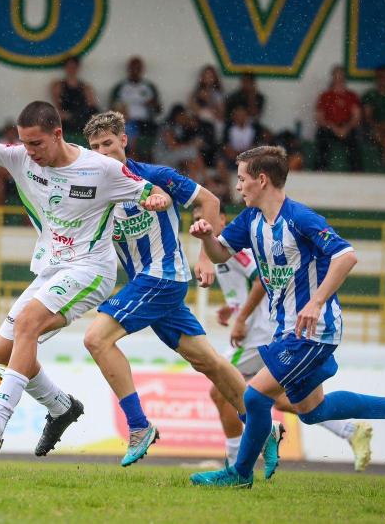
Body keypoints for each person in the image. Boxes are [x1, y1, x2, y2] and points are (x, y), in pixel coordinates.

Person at [188, 145, 385, 488]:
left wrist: (316, 302)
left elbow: (346, 256)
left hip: (313, 329)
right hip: (286, 329)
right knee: (311, 410)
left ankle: (239, 474)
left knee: (254, 396)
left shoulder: (300, 219)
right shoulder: (251, 220)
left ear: (262, 179)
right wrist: (206, 239)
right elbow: (219, 254)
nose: (238, 186)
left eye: (242, 179)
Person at [0, 99, 171, 458]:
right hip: (51, 268)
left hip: (91, 269)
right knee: (1, 351)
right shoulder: (21, 158)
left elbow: (155, 192)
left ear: (57, 134)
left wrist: (157, 201)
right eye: (24, 143)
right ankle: (62, 407)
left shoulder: (101, 169)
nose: (30, 151)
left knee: (28, 323)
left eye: (36, 143)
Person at [82, 111, 271, 468]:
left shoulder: (156, 176)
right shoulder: (96, 192)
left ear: (124, 141)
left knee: (96, 339)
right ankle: (263, 428)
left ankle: (139, 425)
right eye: (95, 147)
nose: (103, 152)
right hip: (148, 284)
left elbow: (210, 202)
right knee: (209, 361)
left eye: (108, 143)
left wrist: (205, 257)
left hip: (162, 277)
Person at [189, 206, 374, 475]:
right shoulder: (220, 252)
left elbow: (260, 282)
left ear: (222, 219)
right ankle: (349, 430)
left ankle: (236, 461)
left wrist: (241, 319)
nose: (200, 221)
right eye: (196, 219)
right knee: (280, 399)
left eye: (205, 217)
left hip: (257, 333)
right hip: (261, 329)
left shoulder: (235, 250)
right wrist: (234, 310)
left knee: (221, 389)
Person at [109, 56, 162, 158]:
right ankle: (131, 155)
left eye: (138, 68)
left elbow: (158, 110)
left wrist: (152, 104)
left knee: (160, 129)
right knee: (127, 127)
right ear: (128, 69)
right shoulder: (121, 87)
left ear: (142, 69)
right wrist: (121, 112)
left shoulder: (149, 87)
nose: (135, 71)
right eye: (133, 68)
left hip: (145, 122)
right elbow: (112, 108)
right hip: (126, 121)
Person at [315, 66, 363, 172]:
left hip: (347, 128)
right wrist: (333, 128)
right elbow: (320, 119)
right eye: (336, 76)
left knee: (355, 139)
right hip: (329, 128)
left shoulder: (352, 96)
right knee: (321, 136)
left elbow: (356, 117)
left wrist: (346, 128)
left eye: (341, 76)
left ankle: (357, 172)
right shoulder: (325, 96)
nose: (339, 79)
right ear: (332, 78)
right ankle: (320, 170)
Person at [50, 56, 99, 135]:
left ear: (78, 68)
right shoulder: (58, 86)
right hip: (66, 118)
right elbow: (57, 107)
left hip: (81, 117)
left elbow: (92, 107)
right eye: (69, 67)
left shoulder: (85, 87)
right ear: (65, 68)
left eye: (73, 67)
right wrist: (66, 115)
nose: (71, 69)